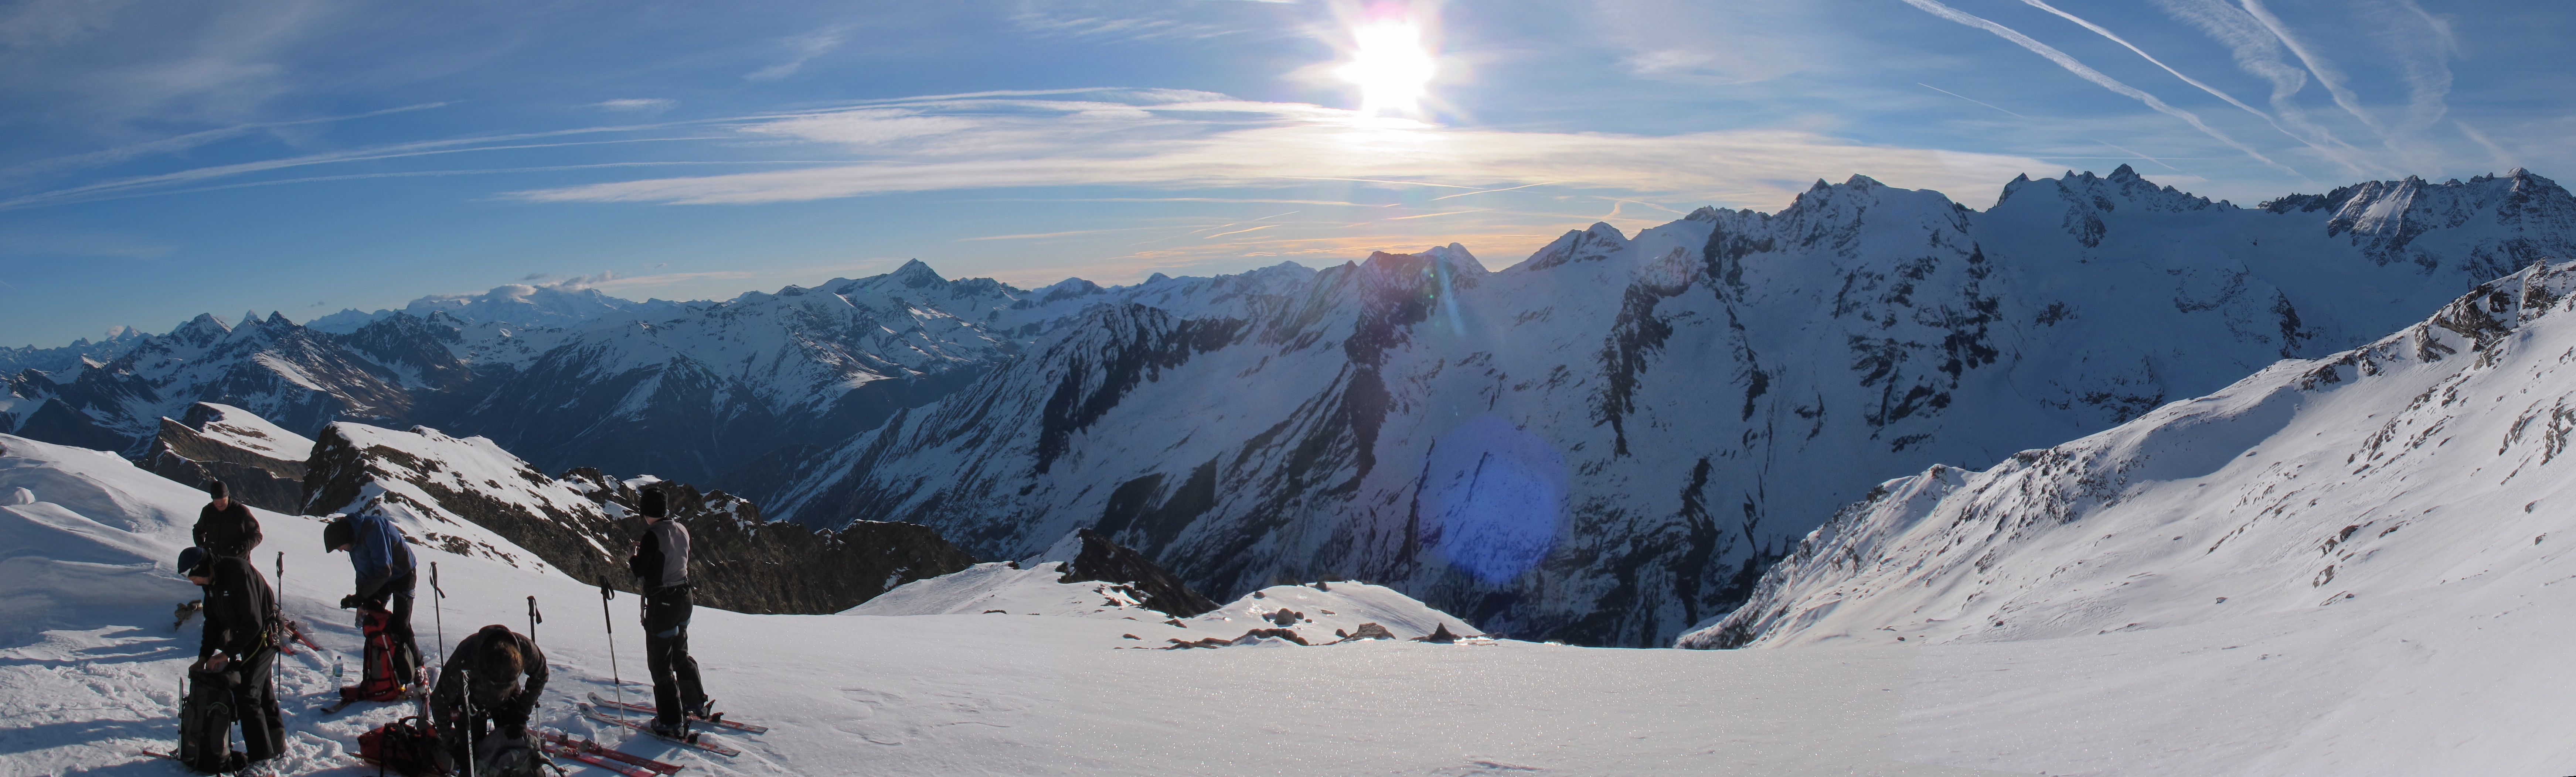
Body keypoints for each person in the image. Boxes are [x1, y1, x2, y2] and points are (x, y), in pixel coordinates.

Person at [184, 552, 286, 771]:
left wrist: (225, 654)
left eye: (191, 576)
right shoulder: (211, 584)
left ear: (202, 568)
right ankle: (276, 746)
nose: (192, 582)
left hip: (264, 634)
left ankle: (262, 761)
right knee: (262, 691)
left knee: (248, 693)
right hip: (247, 636)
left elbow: (254, 622)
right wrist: (204, 657)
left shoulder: (237, 572)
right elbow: (213, 623)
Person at [627, 486, 707, 738]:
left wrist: (633, 557)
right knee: (679, 653)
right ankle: (694, 702)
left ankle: (671, 721)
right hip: (685, 597)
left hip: (664, 603)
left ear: (645, 511)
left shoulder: (652, 536)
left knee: (660, 665)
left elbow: (641, 571)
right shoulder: (681, 529)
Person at [431, 624, 549, 777]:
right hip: (469, 699)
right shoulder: (464, 659)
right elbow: (439, 701)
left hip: (508, 697)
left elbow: (541, 675)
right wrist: (452, 744)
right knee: (472, 762)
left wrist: (521, 714)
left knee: (516, 749)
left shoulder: (525, 649)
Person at [325, 513, 423, 693]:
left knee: (401, 624)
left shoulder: (372, 529)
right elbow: (362, 574)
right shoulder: (353, 543)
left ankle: (418, 668)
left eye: (339, 546)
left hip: (403, 572)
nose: (340, 550)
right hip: (381, 578)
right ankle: (377, 673)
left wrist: (361, 597)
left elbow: (385, 570)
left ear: (344, 538)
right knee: (373, 622)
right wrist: (361, 602)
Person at [193, 480, 261, 559]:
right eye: (216, 501)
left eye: (222, 501)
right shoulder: (208, 511)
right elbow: (198, 530)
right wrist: (202, 546)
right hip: (214, 561)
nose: (219, 504)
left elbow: (257, 535)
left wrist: (243, 546)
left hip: (237, 563)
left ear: (228, 496)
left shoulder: (241, 511)